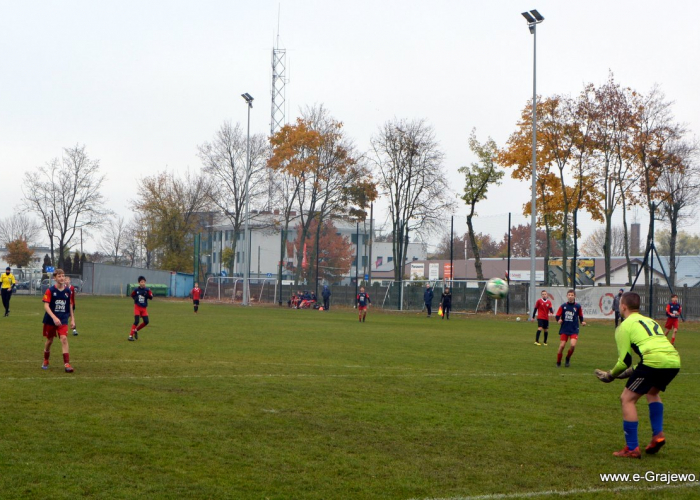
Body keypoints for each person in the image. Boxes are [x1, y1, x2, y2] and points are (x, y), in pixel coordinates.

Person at [594, 292, 681, 458]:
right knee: (652, 392)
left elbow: (624, 361)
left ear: (623, 307)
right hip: (674, 361)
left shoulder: (624, 326)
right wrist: (628, 373)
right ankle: (658, 435)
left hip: (653, 362)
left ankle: (632, 448)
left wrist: (610, 376)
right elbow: (651, 352)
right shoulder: (651, 320)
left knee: (627, 399)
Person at [41, 269, 75, 372]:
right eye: (59, 276)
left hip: (63, 319)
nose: (62, 278)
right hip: (50, 320)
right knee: (49, 341)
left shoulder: (68, 291)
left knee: (64, 339)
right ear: (55, 278)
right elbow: (46, 306)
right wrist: (54, 317)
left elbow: (70, 305)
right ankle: (46, 359)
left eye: (63, 276)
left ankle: (67, 364)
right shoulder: (50, 290)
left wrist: (72, 319)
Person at [555, 289, 586, 367]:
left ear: (575, 296)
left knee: (572, 345)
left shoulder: (577, 306)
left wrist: (582, 321)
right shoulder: (563, 306)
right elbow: (557, 315)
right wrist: (559, 320)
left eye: (572, 295)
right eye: (569, 295)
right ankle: (558, 362)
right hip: (564, 329)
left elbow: (581, 315)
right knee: (562, 346)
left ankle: (567, 358)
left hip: (574, 329)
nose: (570, 296)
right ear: (567, 296)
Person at [129, 276, 154, 341]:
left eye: (144, 282)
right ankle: (130, 336)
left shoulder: (147, 290)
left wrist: (148, 295)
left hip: (144, 308)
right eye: (141, 282)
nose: (143, 283)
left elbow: (151, 297)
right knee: (136, 321)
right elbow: (132, 295)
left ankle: (136, 330)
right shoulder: (136, 290)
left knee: (146, 321)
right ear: (139, 283)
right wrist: (135, 299)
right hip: (137, 307)